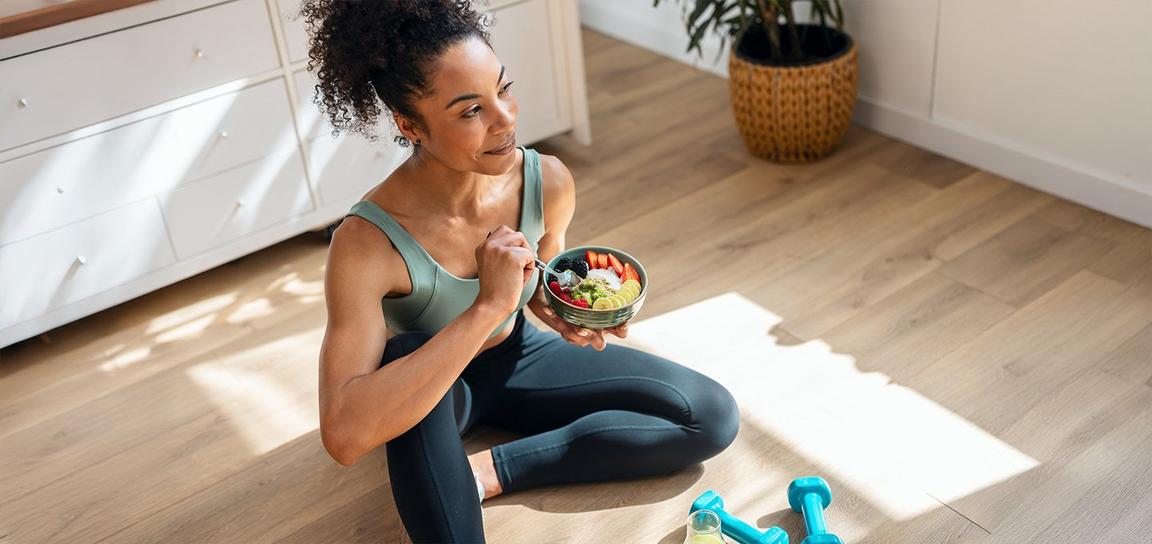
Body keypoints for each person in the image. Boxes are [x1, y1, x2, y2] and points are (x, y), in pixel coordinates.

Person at [305, 1, 740, 541]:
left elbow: (539, 283)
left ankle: (487, 472)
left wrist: (567, 313)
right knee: (405, 350)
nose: (505, 118)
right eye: (470, 111)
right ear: (410, 125)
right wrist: (488, 304)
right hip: (430, 386)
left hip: (516, 359)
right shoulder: (367, 243)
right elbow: (345, 435)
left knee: (710, 415)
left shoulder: (547, 181)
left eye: (503, 89)